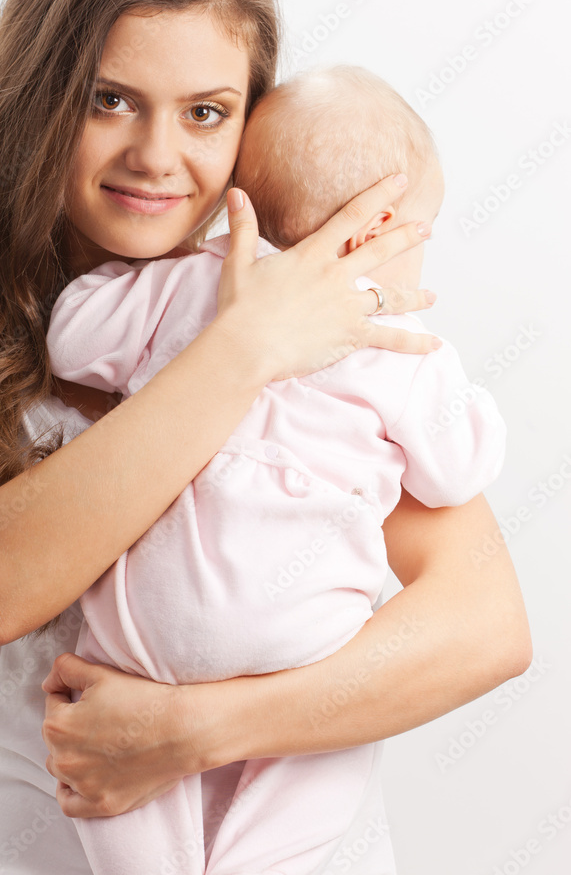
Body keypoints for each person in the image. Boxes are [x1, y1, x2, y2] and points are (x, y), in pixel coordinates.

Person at [0, 0, 531, 875]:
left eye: (205, 112)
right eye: (110, 99)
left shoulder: (334, 328)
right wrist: (242, 349)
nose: (158, 156)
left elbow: (482, 625)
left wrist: (196, 728)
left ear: (251, 118)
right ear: (39, 99)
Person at [44, 64, 507, 875]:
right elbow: (459, 467)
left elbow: (71, 341)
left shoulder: (185, 284)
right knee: (305, 793)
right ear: (375, 231)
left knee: (113, 803)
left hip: (139, 640)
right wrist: (457, 383)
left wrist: (181, 272)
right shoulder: (398, 347)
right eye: (421, 230)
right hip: (298, 651)